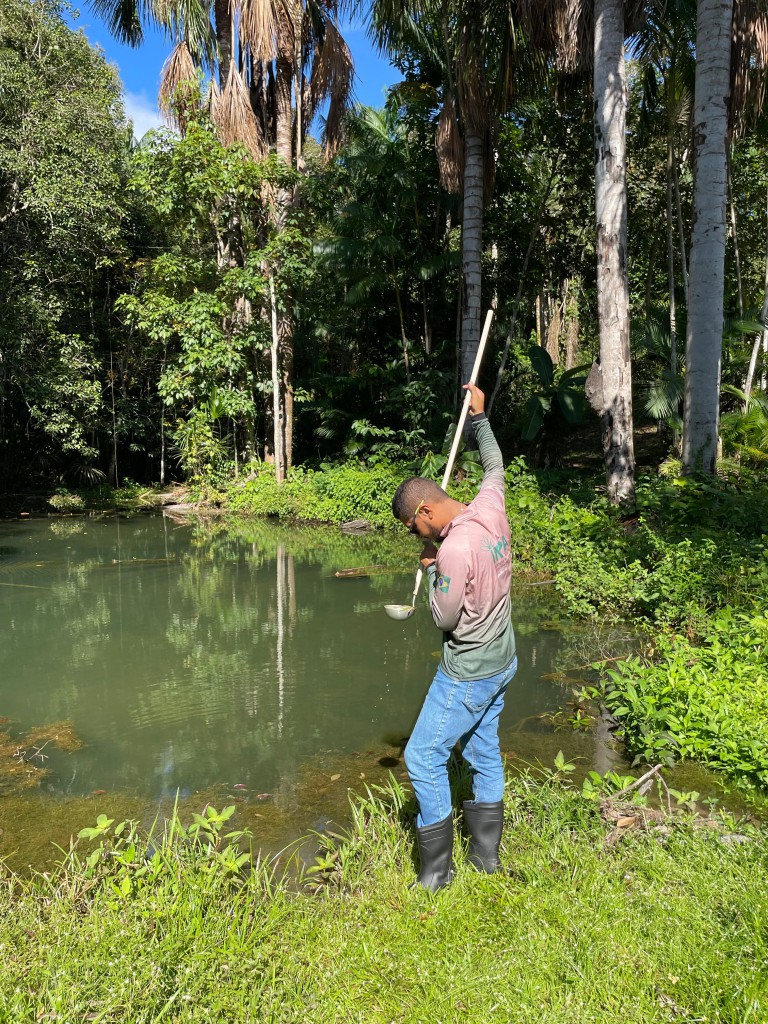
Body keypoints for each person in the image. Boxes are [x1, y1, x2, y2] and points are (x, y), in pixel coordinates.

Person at [391, 383, 516, 891]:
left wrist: (432, 570)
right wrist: (480, 419)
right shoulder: (491, 508)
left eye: (411, 527)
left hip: (467, 671)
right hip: (504, 660)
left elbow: (443, 619)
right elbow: (495, 467)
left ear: (425, 512)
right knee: (483, 751)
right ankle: (487, 861)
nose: (415, 535)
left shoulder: (452, 551)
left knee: (422, 755)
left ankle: (435, 875)